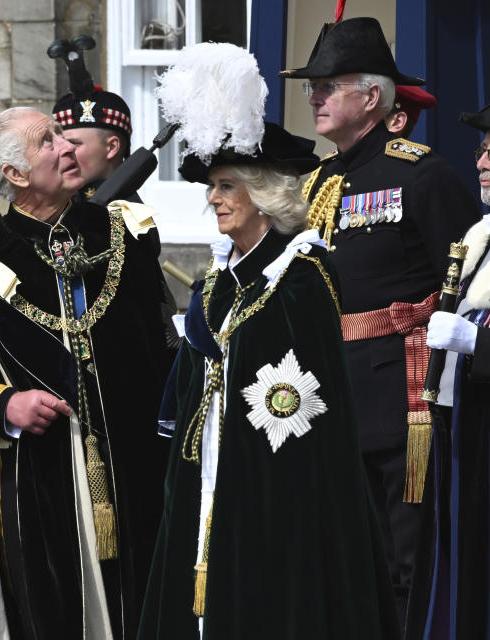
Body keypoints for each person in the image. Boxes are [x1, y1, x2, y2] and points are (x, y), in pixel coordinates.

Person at [0, 106, 174, 639]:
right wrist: (2, 404)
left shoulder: (121, 234)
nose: (69, 147)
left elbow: (161, 344)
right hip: (38, 476)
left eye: (65, 136)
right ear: (16, 175)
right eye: (49, 141)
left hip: (135, 469)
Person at [137, 121, 400, 639]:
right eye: (212, 187)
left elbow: (306, 401)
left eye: (226, 186)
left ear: (262, 195)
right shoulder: (219, 277)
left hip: (275, 481)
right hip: (207, 467)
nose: (212, 198)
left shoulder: (302, 274)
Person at [280, 16, 480, 629]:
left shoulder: (421, 174)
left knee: (406, 559)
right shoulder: (316, 180)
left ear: (371, 98)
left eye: (328, 85)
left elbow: (466, 280)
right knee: (346, 558)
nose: (313, 96)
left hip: (402, 395)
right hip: (331, 393)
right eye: (312, 85)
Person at [416, 103, 490, 639]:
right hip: (467, 419)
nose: (482, 162)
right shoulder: (480, 238)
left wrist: (476, 342)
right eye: (482, 151)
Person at [50, 37, 135, 202]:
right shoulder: (63, 208)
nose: (62, 151)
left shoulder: (123, 214)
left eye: (74, 144)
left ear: (111, 147)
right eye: (58, 143)